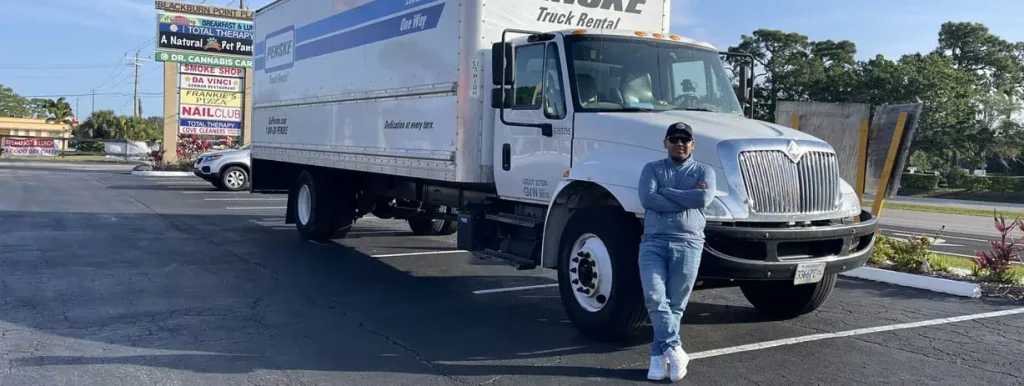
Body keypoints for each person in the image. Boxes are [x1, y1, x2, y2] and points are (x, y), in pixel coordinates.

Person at [636, 122, 716, 382]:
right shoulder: (652, 168)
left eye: (684, 140)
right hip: (654, 241)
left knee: (675, 305)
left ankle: (658, 359)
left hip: (689, 243)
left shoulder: (704, 170)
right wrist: (686, 197)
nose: (679, 144)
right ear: (665, 143)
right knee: (654, 297)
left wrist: (667, 192)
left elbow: (702, 199)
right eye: (674, 139)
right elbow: (648, 199)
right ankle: (675, 348)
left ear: (693, 144)